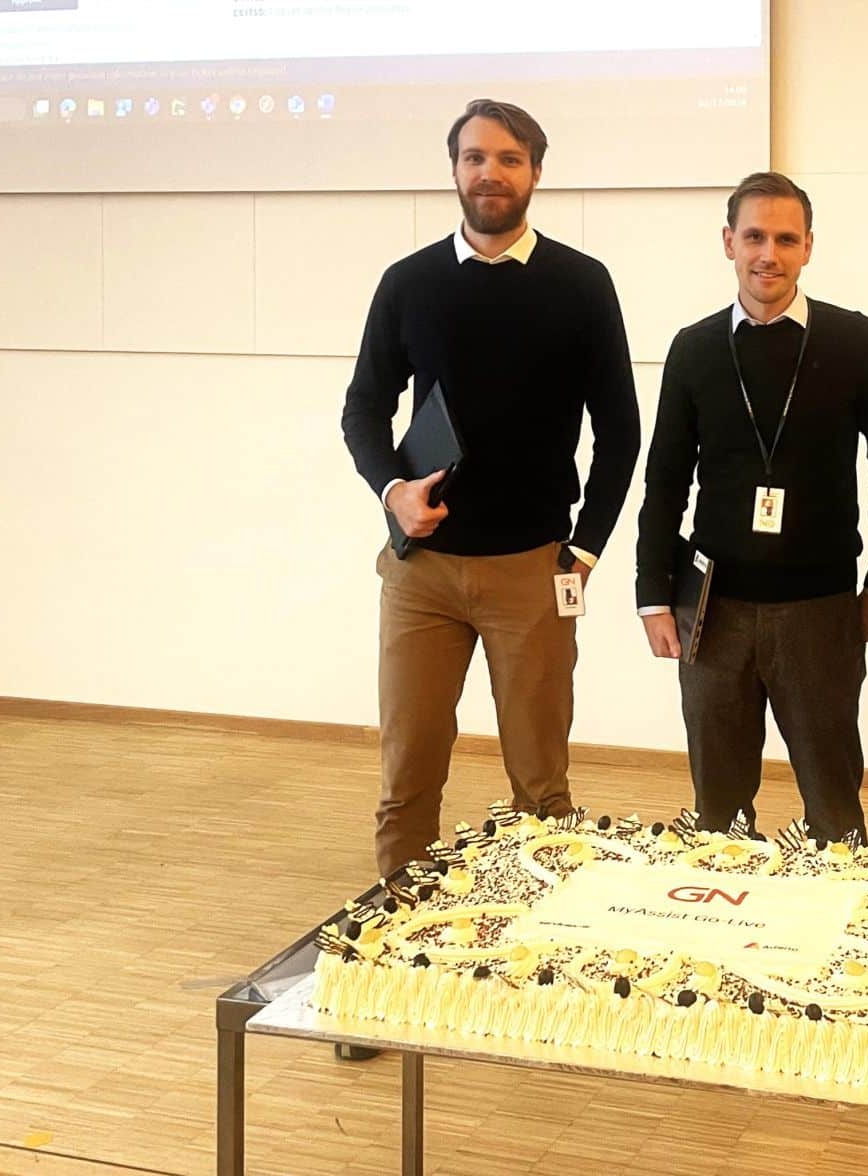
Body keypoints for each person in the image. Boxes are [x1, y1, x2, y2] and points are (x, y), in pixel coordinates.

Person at [340, 98, 641, 880]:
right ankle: (396, 926)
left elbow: (620, 431)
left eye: (509, 158)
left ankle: (545, 933)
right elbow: (364, 407)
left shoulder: (582, 284)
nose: (490, 172)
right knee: (407, 776)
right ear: (453, 171)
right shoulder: (409, 282)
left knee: (542, 785)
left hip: (532, 571)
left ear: (536, 172)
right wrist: (390, 490)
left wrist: (586, 551)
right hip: (422, 572)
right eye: (475, 157)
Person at [634, 171, 868, 840]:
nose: (768, 255)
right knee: (717, 812)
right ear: (728, 242)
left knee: (835, 810)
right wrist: (652, 594)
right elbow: (665, 478)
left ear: (808, 247)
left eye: (786, 239)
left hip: (821, 608)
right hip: (712, 609)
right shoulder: (694, 349)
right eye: (754, 236)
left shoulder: (854, 341)